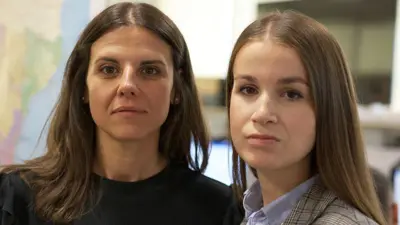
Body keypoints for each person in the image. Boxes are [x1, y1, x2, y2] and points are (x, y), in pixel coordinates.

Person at [0, 2, 239, 225]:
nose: (127, 85)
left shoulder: (219, 208)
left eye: (149, 70)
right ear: (83, 87)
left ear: (177, 89)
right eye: (109, 69)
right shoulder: (18, 197)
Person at [226, 10, 386, 225]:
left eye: (291, 94)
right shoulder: (255, 214)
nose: (262, 113)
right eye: (248, 89)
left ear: (329, 108)